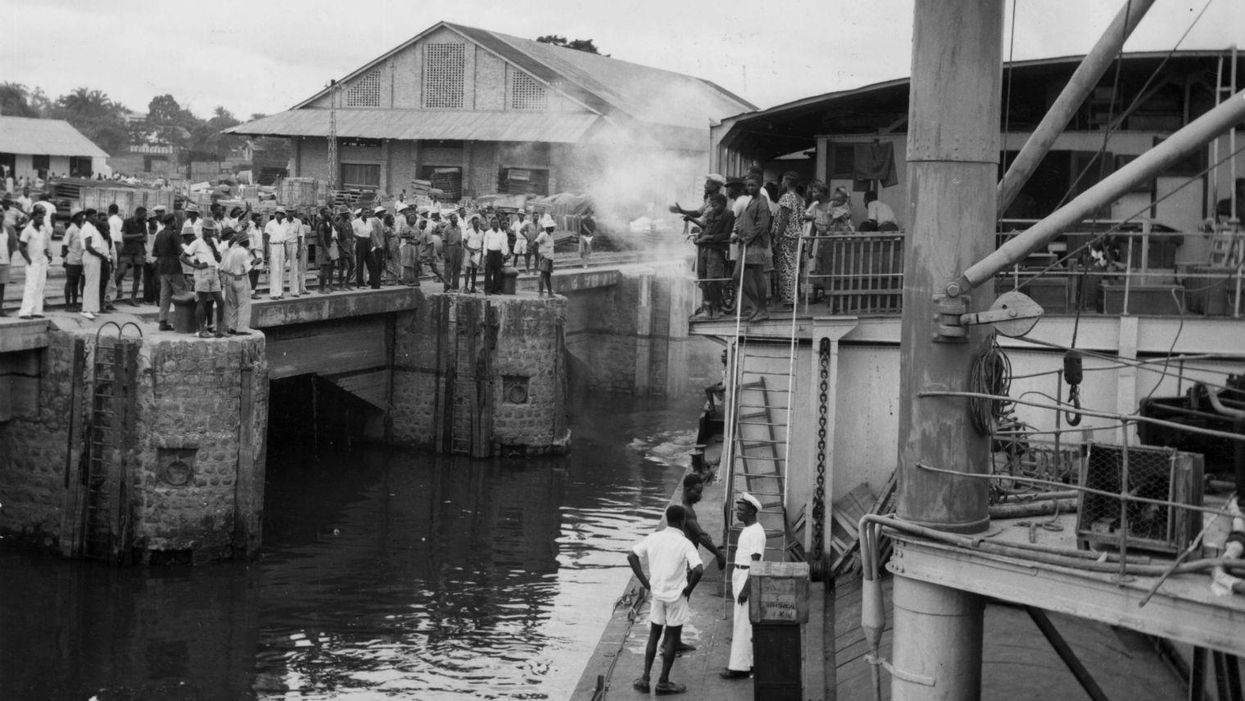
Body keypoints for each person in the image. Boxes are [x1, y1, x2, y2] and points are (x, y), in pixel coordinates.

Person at [626, 504, 704, 696]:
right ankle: (663, 682)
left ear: (667, 519)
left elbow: (632, 556)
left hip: (657, 594)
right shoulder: (684, 543)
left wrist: (646, 583)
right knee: (671, 638)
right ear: (683, 521)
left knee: (654, 635)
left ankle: (645, 678)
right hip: (676, 596)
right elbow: (698, 569)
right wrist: (689, 589)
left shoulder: (654, 537)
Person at [721, 493, 765, 680]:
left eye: (741, 509)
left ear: (752, 511)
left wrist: (746, 588)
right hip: (740, 574)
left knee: (742, 623)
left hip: (747, 575)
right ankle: (749, 663)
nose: (738, 512)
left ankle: (739, 667)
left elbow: (756, 563)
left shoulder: (756, 532)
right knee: (744, 622)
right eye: (738, 508)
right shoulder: (747, 530)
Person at [687, 192, 733, 320]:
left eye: (715, 205)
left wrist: (708, 237)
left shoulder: (729, 215)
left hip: (715, 250)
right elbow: (706, 228)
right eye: (712, 205)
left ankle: (716, 308)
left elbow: (725, 235)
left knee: (712, 280)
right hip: (703, 249)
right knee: (702, 278)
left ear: (723, 204)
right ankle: (708, 308)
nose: (713, 208)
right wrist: (699, 236)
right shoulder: (711, 213)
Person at [733, 176, 772, 322]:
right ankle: (759, 306)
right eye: (748, 185)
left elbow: (762, 226)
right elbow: (748, 221)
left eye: (753, 185)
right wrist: (739, 234)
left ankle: (762, 310)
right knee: (737, 276)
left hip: (756, 244)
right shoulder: (752, 200)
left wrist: (748, 238)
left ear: (760, 185)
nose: (750, 188)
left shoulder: (762, 203)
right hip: (746, 243)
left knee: (758, 276)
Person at [181, 219, 225, 338]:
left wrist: (212, 246)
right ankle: (202, 330)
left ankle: (219, 330)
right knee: (202, 302)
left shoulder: (214, 241)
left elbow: (219, 259)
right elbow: (183, 257)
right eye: (208, 231)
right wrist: (196, 266)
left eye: (212, 231)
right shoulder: (197, 242)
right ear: (203, 230)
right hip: (202, 272)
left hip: (213, 271)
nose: (210, 233)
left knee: (220, 301)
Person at [773, 172, 805, 308]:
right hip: (797, 236)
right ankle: (795, 297)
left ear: (786, 182)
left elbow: (783, 219)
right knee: (794, 267)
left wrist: (776, 237)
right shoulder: (800, 198)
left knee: (786, 268)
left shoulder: (786, 197)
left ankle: (789, 299)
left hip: (787, 236)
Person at [152, 210, 187, 331]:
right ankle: (182, 322)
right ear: (171, 222)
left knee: (164, 296)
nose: (176, 223)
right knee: (182, 294)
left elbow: (155, 252)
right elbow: (181, 251)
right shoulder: (173, 234)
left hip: (163, 268)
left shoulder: (159, 234)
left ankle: (163, 321)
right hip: (174, 267)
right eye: (175, 221)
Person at [17, 208, 52, 319]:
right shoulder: (27, 230)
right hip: (32, 262)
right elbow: (21, 247)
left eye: (42, 217)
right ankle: (25, 312)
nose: (41, 219)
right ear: (33, 217)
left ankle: (37, 311)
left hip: (42, 261)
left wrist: (47, 256)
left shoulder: (43, 230)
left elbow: (45, 245)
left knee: (40, 286)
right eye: (39, 217)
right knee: (31, 286)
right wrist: (29, 260)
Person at [219, 230, 253, 335]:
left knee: (233, 304)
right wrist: (255, 262)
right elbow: (247, 268)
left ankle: (232, 327)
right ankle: (242, 328)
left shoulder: (233, 250)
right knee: (244, 304)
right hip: (241, 279)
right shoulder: (243, 252)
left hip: (231, 278)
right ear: (246, 241)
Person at [79, 209, 109, 320]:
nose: (95, 218)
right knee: (90, 283)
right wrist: (100, 255)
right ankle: (86, 309)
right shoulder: (87, 227)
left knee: (94, 284)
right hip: (91, 256)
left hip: (95, 257)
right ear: (87, 217)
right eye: (93, 216)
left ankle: (92, 308)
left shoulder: (93, 227)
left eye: (96, 215)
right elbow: (88, 246)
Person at [115, 206, 147, 306]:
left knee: (137, 276)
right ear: (138, 213)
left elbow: (145, 239)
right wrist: (138, 236)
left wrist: (132, 237)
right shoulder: (127, 221)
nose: (145, 217)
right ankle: (113, 290)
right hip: (127, 251)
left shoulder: (143, 224)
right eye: (144, 214)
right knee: (121, 272)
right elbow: (124, 237)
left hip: (139, 251)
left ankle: (133, 298)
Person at [62, 208, 86, 312]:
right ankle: (67, 305)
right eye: (80, 216)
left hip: (79, 260)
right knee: (70, 282)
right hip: (71, 260)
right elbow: (64, 246)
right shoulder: (70, 230)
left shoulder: (80, 229)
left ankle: (75, 304)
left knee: (76, 283)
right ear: (75, 217)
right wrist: (64, 259)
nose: (82, 218)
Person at [265, 207, 292, 299]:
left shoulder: (283, 225)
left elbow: (284, 241)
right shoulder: (270, 224)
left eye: (282, 214)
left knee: (281, 270)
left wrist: (286, 253)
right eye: (279, 213)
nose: (280, 215)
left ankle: (280, 292)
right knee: (275, 270)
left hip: (281, 247)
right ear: (275, 214)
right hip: (273, 246)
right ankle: (273, 293)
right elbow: (266, 238)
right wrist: (267, 251)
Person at [482, 216, 509, 294]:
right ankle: (487, 290)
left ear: (498, 224)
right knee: (488, 273)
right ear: (491, 224)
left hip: (498, 254)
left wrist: (504, 254)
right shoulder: (488, 233)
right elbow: (485, 244)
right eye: (493, 223)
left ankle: (496, 289)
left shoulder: (502, 233)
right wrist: (485, 255)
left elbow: (504, 244)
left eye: (496, 223)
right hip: (490, 253)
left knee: (497, 273)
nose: (495, 224)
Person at [315, 207, 339, 293]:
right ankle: (321, 288)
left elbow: (336, 226)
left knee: (326, 267)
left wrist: (332, 221)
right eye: (328, 213)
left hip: (326, 247)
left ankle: (324, 287)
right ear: (323, 214)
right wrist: (327, 251)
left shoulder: (328, 223)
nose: (330, 215)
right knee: (323, 268)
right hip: (323, 248)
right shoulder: (321, 224)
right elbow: (322, 240)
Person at [442, 212, 464, 292]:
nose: (455, 219)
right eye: (454, 218)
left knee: (457, 268)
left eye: (456, 218)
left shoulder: (459, 228)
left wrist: (461, 250)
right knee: (448, 269)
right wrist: (446, 253)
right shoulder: (447, 228)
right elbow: (444, 242)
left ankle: (455, 286)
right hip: (450, 248)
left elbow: (460, 240)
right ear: (450, 219)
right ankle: (447, 287)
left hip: (458, 249)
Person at [464, 215, 484, 293]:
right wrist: (470, 250)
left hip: (477, 252)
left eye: (478, 222)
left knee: (475, 271)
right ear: (472, 223)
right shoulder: (468, 231)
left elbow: (483, 243)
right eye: (475, 222)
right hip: (469, 252)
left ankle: (472, 287)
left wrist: (481, 254)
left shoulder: (482, 232)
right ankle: (466, 287)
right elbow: (464, 243)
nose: (477, 224)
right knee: (468, 270)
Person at [534, 222, 555, 297]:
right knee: (542, 275)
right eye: (552, 227)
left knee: (548, 276)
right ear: (548, 228)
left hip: (550, 258)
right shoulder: (543, 234)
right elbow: (536, 243)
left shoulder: (551, 235)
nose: (553, 228)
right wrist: (539, 254)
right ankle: (541, 293)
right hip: (544, 257)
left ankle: (550, 293)